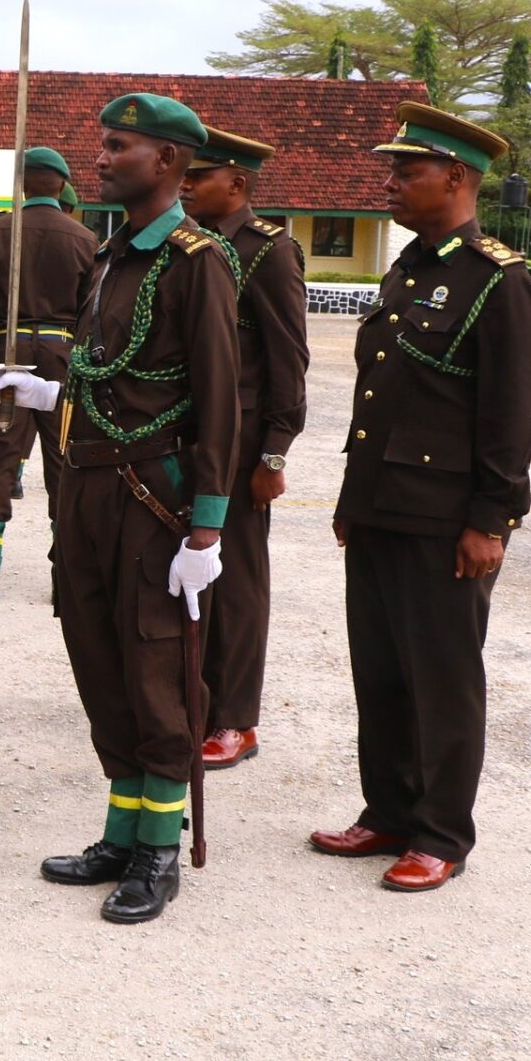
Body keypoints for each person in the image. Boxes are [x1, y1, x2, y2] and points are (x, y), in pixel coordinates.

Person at [310, 103, 531, 893]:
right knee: (378, 671)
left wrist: (492, 519)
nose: (391, 184)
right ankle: (388, 811)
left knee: (442, 678)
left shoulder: (498, 280)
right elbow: (379, 399)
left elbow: (510, 414)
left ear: (455, 176)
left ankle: (441, 832)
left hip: (446, 520)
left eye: (405, 172)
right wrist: (353, 498)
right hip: (382, 506)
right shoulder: (409, 269)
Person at [36, 93, 239, 924]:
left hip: (154, 500)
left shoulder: (195, 260)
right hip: (88, 486)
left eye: (119, 146)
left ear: (168, 162)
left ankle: (159, 850)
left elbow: (222, 397)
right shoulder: (112, 255)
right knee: (100, 661)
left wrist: (208, 526)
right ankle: (122, 831)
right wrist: (48, 390)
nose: (102, 158)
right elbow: (105, 371)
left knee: (157, 671)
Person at [179, 127, 308, 770]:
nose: (186, 185)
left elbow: (289, 360)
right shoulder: (191, 248)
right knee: (187, 574)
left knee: (238, 581)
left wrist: (275, 453)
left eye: (199, 176)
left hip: (246, 438)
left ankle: (235, 720)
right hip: (192, 431)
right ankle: (192, 701)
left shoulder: (268, 251)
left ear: (237, 183)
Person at [0, 147, 94, 604]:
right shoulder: (85, 239)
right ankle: (64, 581)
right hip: (63, 355)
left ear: (23, 184)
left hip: (7, 352)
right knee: (64, 466)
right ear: (62, 185)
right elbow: (92, 313)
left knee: (1, 462)